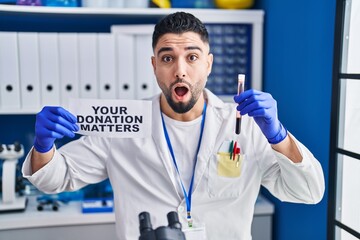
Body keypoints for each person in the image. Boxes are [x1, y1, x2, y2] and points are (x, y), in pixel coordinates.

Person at [22, 12, 325, 240]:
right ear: (155, 66)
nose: (180, 70)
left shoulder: (245, 126)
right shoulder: (124, 123)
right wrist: (44, 145)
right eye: (168, 58)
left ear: (208, 64)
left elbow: (309, 191)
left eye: (192, 57)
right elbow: (54, 179)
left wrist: (278, 135)